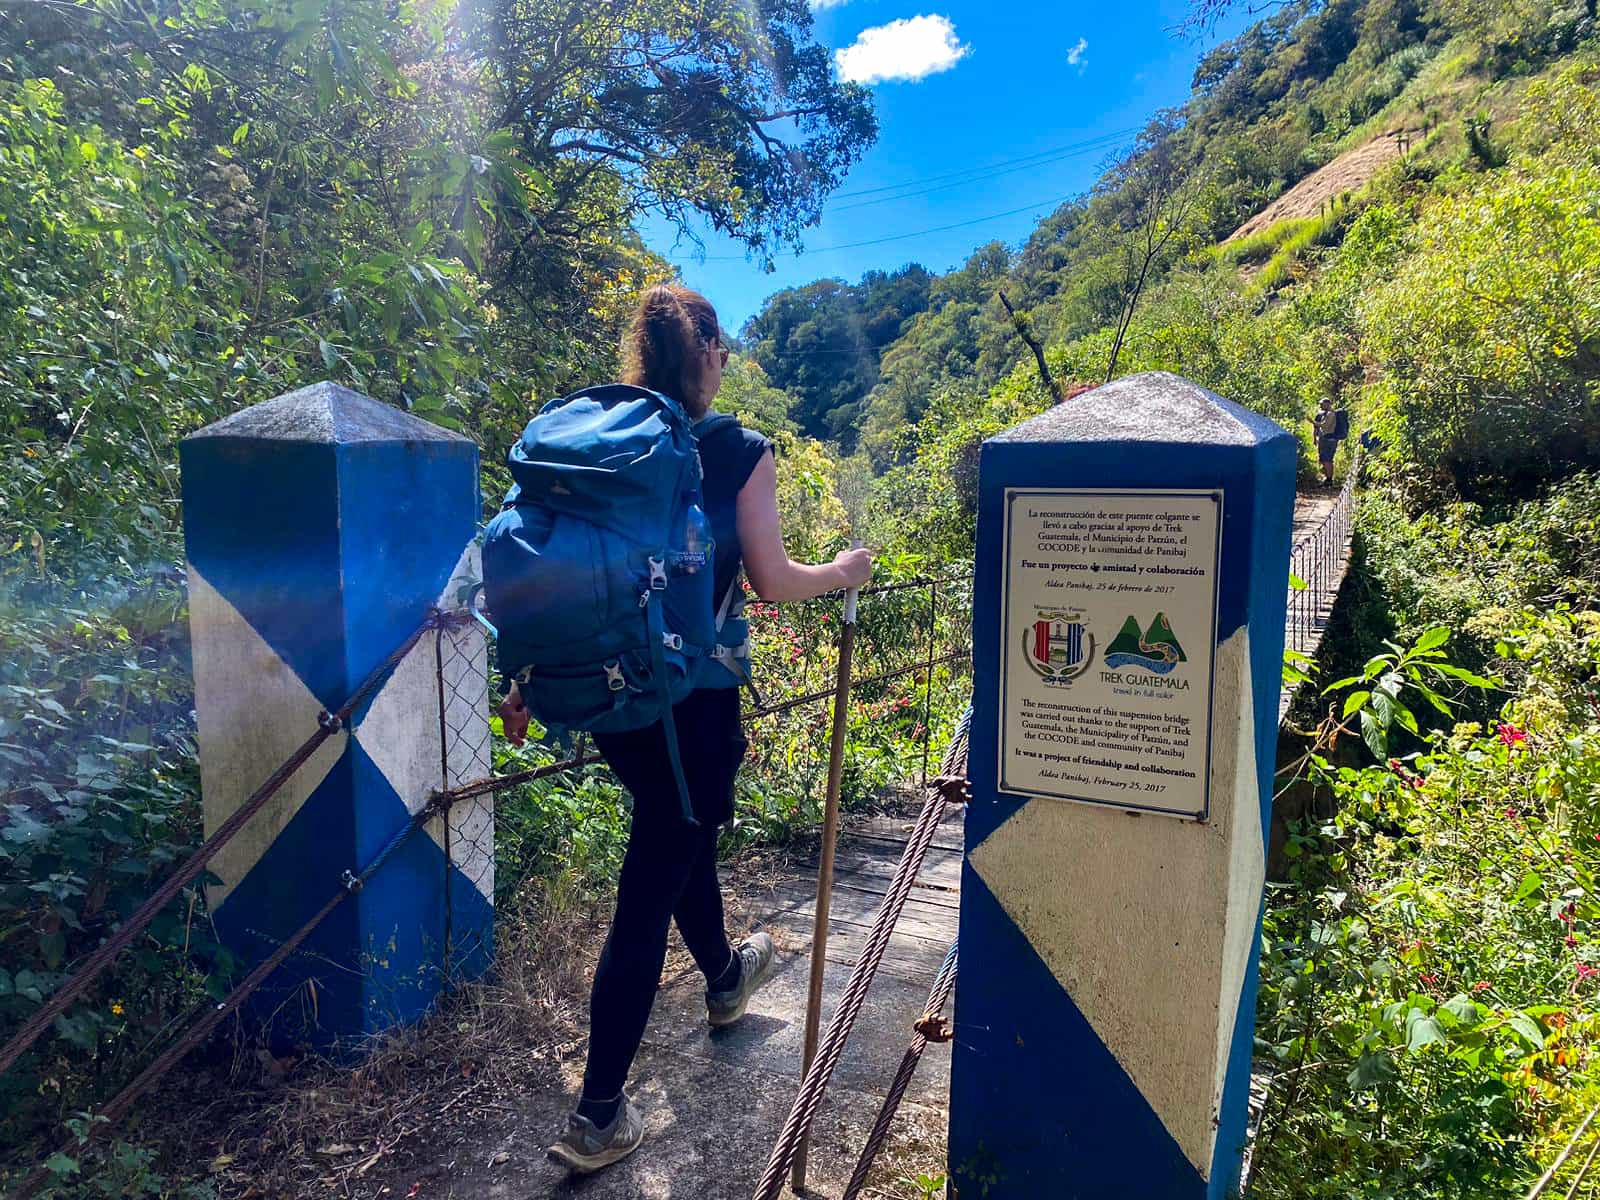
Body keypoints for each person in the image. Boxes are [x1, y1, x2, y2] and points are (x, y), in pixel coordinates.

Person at [496, 284, 874, 1174]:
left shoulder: (607, 441)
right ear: (702, 347)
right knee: (653, 875)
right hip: (692, 705)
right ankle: (599, 1115)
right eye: (721, 346)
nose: (724, 362)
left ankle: (727, 978)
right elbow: (776, 580)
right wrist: (847, 569)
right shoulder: (739, 449)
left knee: (679, 838)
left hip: (613, 698)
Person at [1314, 397, 1340, 487]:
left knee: (1327, 460)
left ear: (1327, 404)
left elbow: (1325, 425)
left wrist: (1312, 422)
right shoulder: (1326, 413)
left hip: (1329, 440)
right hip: (1326, 439)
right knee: (1325, 459)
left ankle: (1329, 480)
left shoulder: (1330, 414)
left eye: (1322, 404)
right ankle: (1327, 479)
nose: (1320, 405)